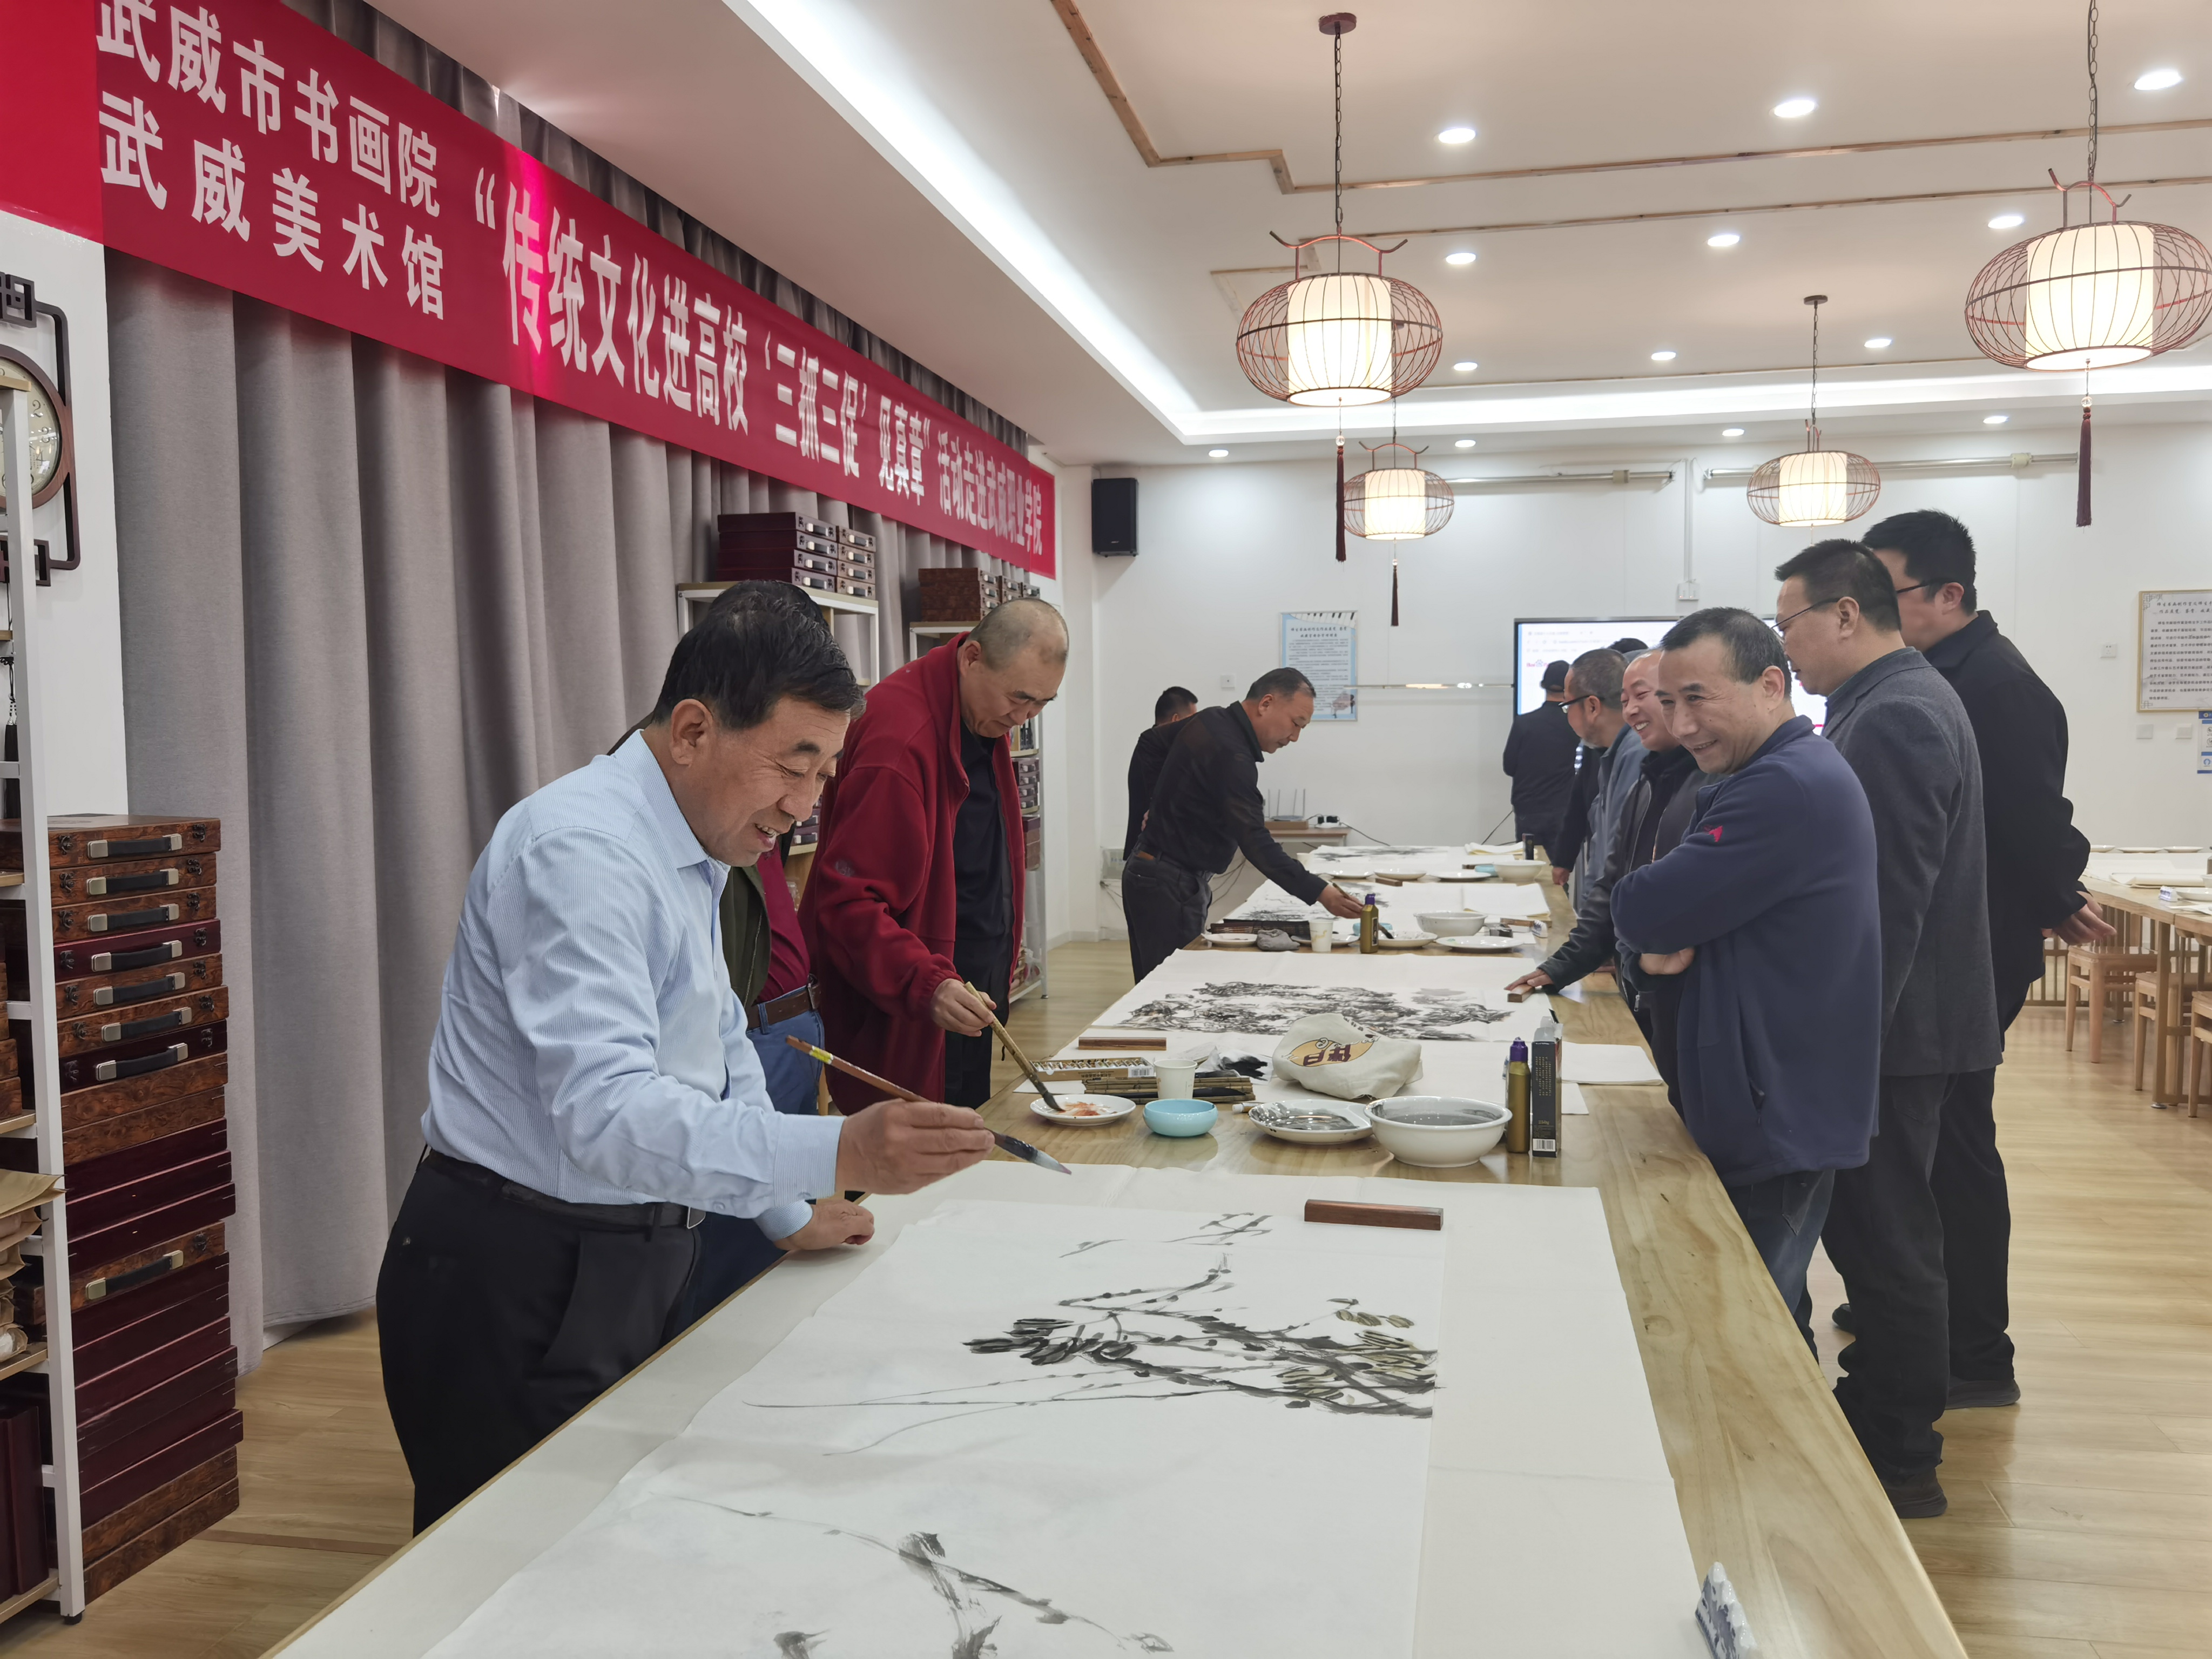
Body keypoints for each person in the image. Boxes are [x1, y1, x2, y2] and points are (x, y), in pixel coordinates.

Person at [377, 598, 996, 1532]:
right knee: (507, 1561)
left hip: (624, 1252)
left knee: (605, 1538)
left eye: (824, 774)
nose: (803, 807)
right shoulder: (584, 853)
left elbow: (717, 1044)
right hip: (520, 1266)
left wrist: (784, 1209)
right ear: (694, 731)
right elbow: (607, 1116)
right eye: (792, 765)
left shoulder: (691, 840)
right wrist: (841, 1151)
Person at [1862, 509, 2112, 1413]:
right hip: (1949, 944)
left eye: (1884, 594)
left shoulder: (1994, 684)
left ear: (1948, 594)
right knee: (1922, 1142)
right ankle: (1916, 1309)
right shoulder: (1934, 675)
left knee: (1956, 1146)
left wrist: (2056, 892)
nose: (1869, 613)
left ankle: (1975, 1348)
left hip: (1968, 953)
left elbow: (2031, 818)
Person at [1774, 538, 2000, 1520]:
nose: (1784, 647)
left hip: (1896, 1031)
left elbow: (1886, 903)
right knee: (1885, 1235)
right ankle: (1887, 1422)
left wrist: (1842, 1045)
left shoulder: (1898, 713)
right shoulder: (1887, 700)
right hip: (1906, 1023)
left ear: (1842, 614)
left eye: (1787, 624)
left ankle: (1899, 1450)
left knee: (1888, 1241)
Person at [1610, 609, 1880, 1359]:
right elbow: (1657, 924)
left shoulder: (1783, 786)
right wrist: (1652, 948)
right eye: (1670, 703)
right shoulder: (1766, 774)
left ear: (1769, 684)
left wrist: (1656, 936)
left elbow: (1641, 905)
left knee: (1745, 1333)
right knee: (1765, 1309)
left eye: (1699, 699)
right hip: (1765, 1087)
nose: (1682, 725)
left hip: (1773, 1100)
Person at [802, 597, 1069, 1110]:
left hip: (964, 995)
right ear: (972, 658)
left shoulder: (982, 715)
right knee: (911, 1152)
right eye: (1019, 698)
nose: (1024, 717)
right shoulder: (899, 742)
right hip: (914, 1007)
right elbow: (848, 905)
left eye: (1042, 703)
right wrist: (927, 985)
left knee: (963, 1140)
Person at [1507, 650, 1701, 1105]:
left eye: (1649, 696)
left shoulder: (1696, 777)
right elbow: (1618, 873)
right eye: (1626, 698)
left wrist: (1625, 954)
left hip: (1677, 986)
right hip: (1645, 971)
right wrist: (1566, 963)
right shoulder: (1646, 772)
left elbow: (1651, 886)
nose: (1631, 710)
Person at [1122, 667, 1365, 981]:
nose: (1295, 737)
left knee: (1161, 984)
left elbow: (1150, 743)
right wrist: (1320, 892)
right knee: (1169, 989)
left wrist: (1155, 806)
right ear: (1266, 704)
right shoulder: (1231, 753)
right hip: (1167, 883)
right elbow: (1255, 841)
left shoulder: (1213, 719)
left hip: (1158, 875)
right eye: (1296, 723)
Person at [1548, 637, 1650, 889]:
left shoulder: (1636, 755)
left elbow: (1617, 861)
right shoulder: (1610, 755)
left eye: (1567, 706)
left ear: (1592, 706)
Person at [1501, 659, 1578, 861]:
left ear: (1543, 686)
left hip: (1528, 811)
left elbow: (1509, 767)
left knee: (1529, 865)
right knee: (1558, 867)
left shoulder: (1524, 723)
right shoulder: (1574, 724)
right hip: (1562, 810)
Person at [1124, 686, 1201, 859]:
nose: (1194, 728)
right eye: (1191, 721)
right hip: (1150, 856)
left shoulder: (1156, 748)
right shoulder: (1152, 750)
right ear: (1176, 720)